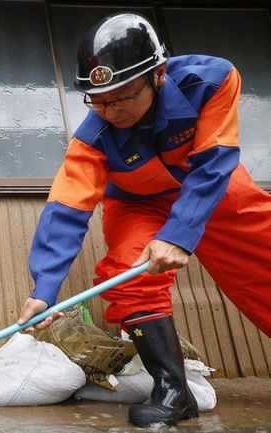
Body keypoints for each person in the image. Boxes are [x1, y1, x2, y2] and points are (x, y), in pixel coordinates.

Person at [16, 11, 271, 428]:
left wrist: (179, 232)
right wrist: (45, 288)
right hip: (139, 203)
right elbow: (67, 208)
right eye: (96, 100)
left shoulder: (212, 80)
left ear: (158, 75)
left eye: (120, 97)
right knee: (128, 274)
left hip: (211, 184)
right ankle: (173, 391)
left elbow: (215, 160)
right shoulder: (93, 137)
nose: (109, 111)